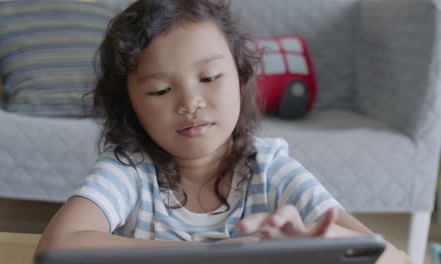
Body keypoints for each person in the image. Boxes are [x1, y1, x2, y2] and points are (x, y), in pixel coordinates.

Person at [35, 0, 409, 263]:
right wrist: (233, 252)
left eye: (210, 78)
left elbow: (395, 259)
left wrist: (322, 241)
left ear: (241, 78)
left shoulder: (270, 169)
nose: (190, 103)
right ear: (129, 104)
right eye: (160, 90)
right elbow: (58, 247)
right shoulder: (128, 169)